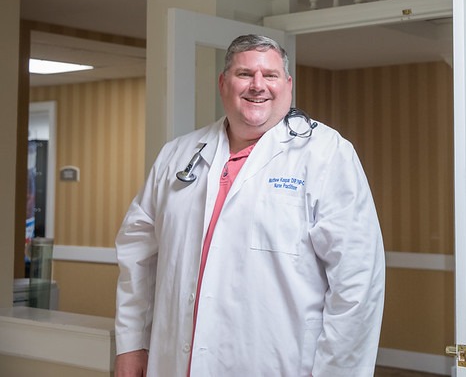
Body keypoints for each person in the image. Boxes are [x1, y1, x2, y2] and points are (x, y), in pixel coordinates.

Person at [114, 34, 385, 376]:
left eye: (270, 75)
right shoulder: (177, 155)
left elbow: (357, 283)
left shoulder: (327, 154)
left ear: (288, 85)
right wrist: (132, 344)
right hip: (173, 361)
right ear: (223, 83)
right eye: (245, 74)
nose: (258, 85)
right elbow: (136, 254)